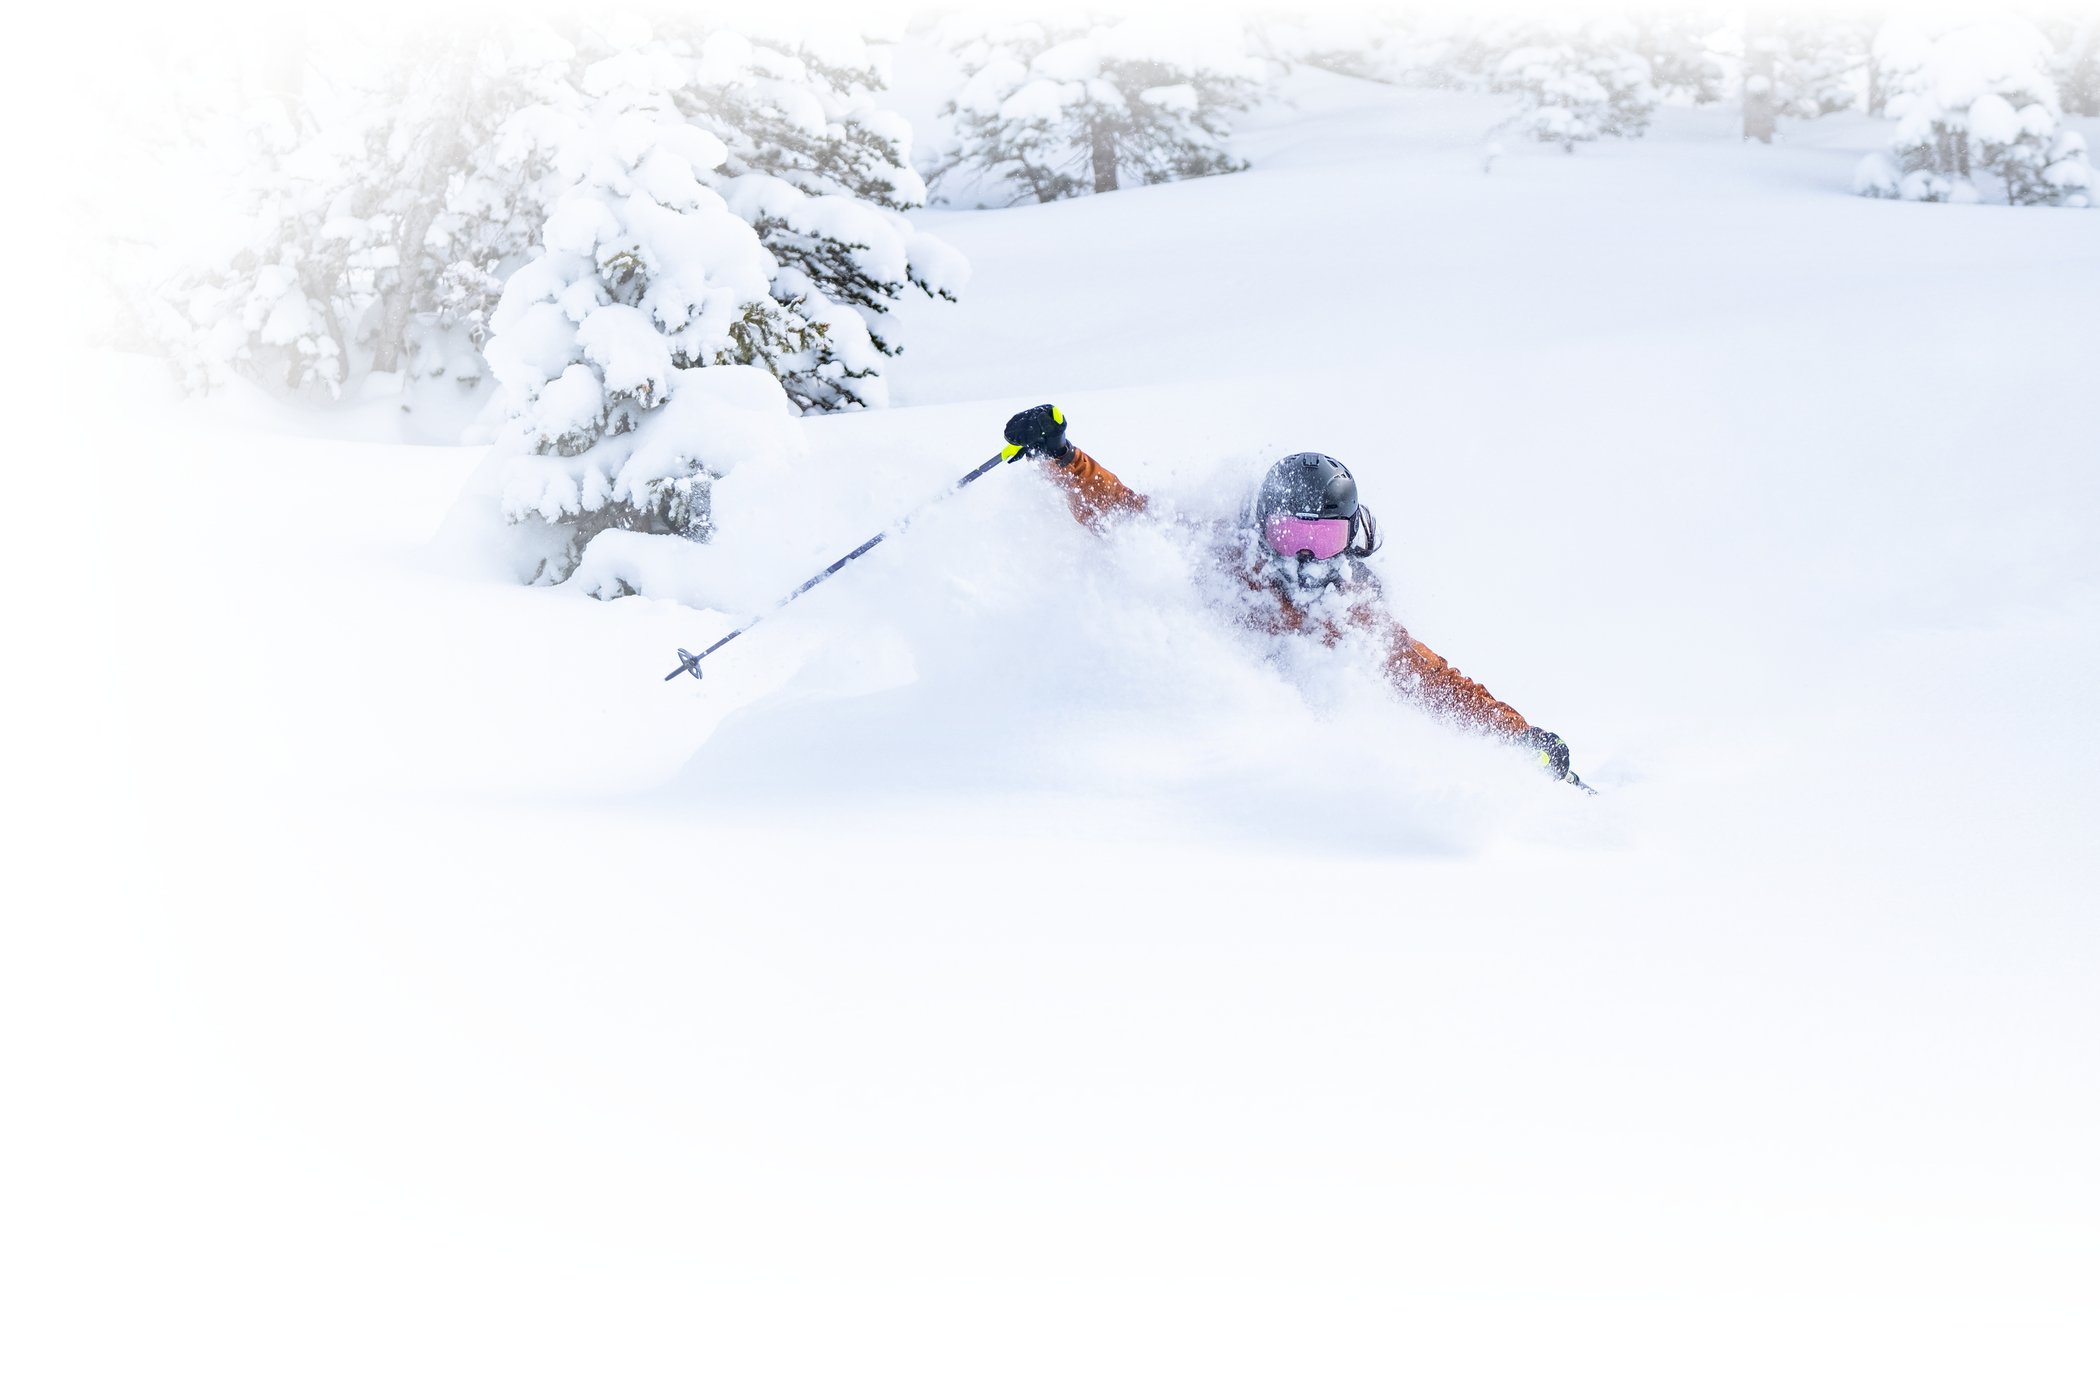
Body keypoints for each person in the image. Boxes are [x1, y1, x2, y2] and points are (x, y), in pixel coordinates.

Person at [1001, 403, 1581, 783]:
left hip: (1284, 769)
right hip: (1179, 754)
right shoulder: (1217, 557)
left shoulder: (1351, 616)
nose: (1305, 554)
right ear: (1261, 527)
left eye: (1323, 536)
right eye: (1291, 533)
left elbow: (1437, 685)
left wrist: (1521, 740)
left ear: (1350, 537)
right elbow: (1124, 518)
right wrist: (1063, 457)